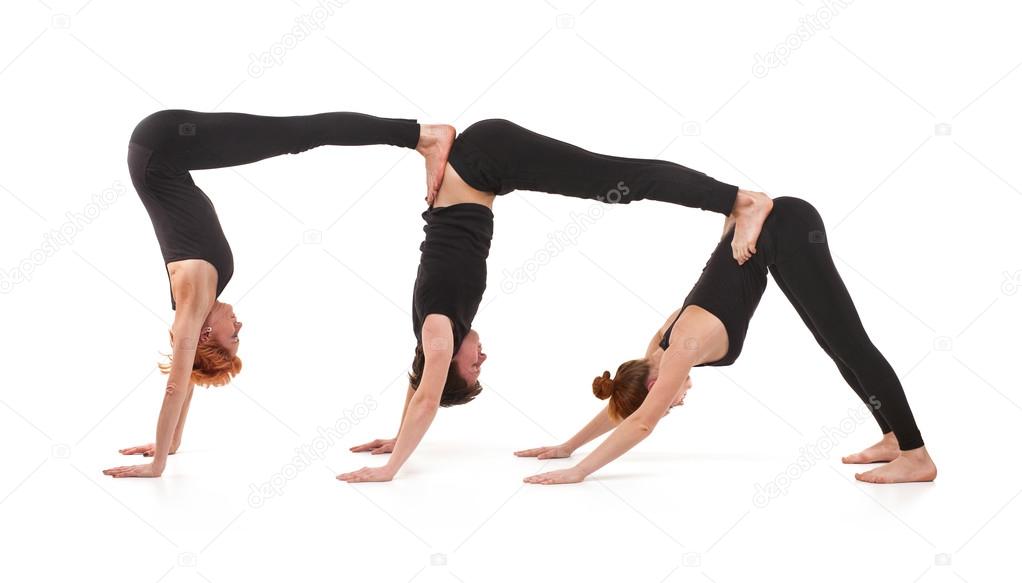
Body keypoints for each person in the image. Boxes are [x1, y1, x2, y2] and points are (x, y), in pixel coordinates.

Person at [339, 119, 773, 482]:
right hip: (483, 167)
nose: (483, 356)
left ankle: (740, 202)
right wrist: (398, 435)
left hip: (487, 160)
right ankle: (735, 207)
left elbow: (427, 397)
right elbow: (420, 380)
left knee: (618, 181)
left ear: (448, 359)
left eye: (472, 366)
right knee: (614, 182)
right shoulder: (435, 334)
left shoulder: (437, 330)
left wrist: (392, 468)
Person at [103, 110, 454, 478]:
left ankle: (423, 137)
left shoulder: (191, 303)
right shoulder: (199, 303)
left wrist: (158, 464)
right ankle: (420, 137)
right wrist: (170, 442)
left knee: (300, 134)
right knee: (297, 135)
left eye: (233, 335)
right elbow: (187, 374)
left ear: (205, 334)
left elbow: (176, 384)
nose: (239, 324)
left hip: (164, 144)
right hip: (164, 152)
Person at [516, 197, 936, 485]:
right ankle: (894, 437)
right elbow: (630, 407)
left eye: (668, 403)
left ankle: (916, 456)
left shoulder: (679, 350)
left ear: (652, 385)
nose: (674, 403)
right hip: (773, 236)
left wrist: (581, 470)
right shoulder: (654, 350)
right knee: (835, 344)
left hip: (788, 226)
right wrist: (567, 445)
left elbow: (641, 421)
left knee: (852, 343)